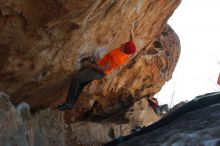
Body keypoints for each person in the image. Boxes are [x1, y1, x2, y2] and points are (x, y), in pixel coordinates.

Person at [58, 28, 137, 110]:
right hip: (98, 66)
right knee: (81, 83)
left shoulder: (118, 58)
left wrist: (90, 65)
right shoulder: (126, 51)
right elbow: (132, 43)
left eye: (125, 43)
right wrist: (131, 31)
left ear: (124, 48)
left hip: (99, 72)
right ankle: (71, 103)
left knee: (76, 79)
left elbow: (103, 68)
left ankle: (68, 104)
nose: (124, 42)